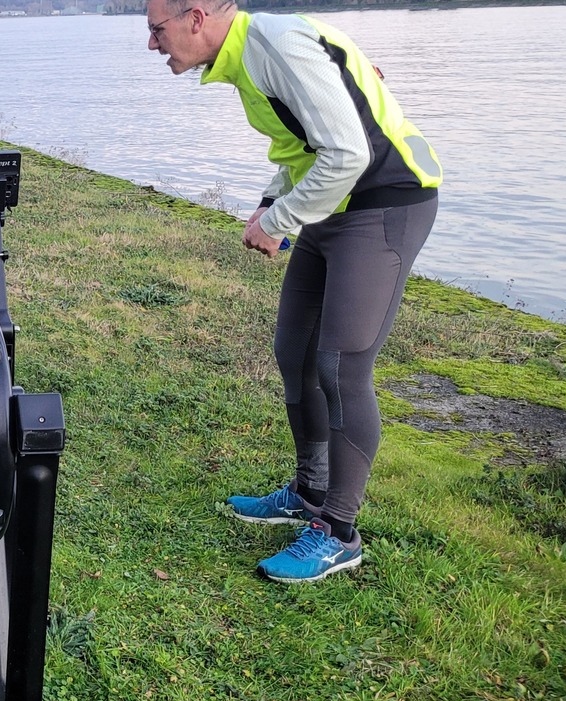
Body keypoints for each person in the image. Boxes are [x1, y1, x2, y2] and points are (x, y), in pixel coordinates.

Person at [147, 0, 441, 582]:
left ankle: (339, 532)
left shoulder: (275, 44)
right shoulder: (248, 59)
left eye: (157, 29)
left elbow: (349, 153)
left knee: (340, 368)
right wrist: (271, 200)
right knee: (295, 352)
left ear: (196, 17)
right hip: (334, 205)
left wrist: (279, 220)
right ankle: (309, 492)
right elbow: (303, 146)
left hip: (384, 203)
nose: (153, 44)